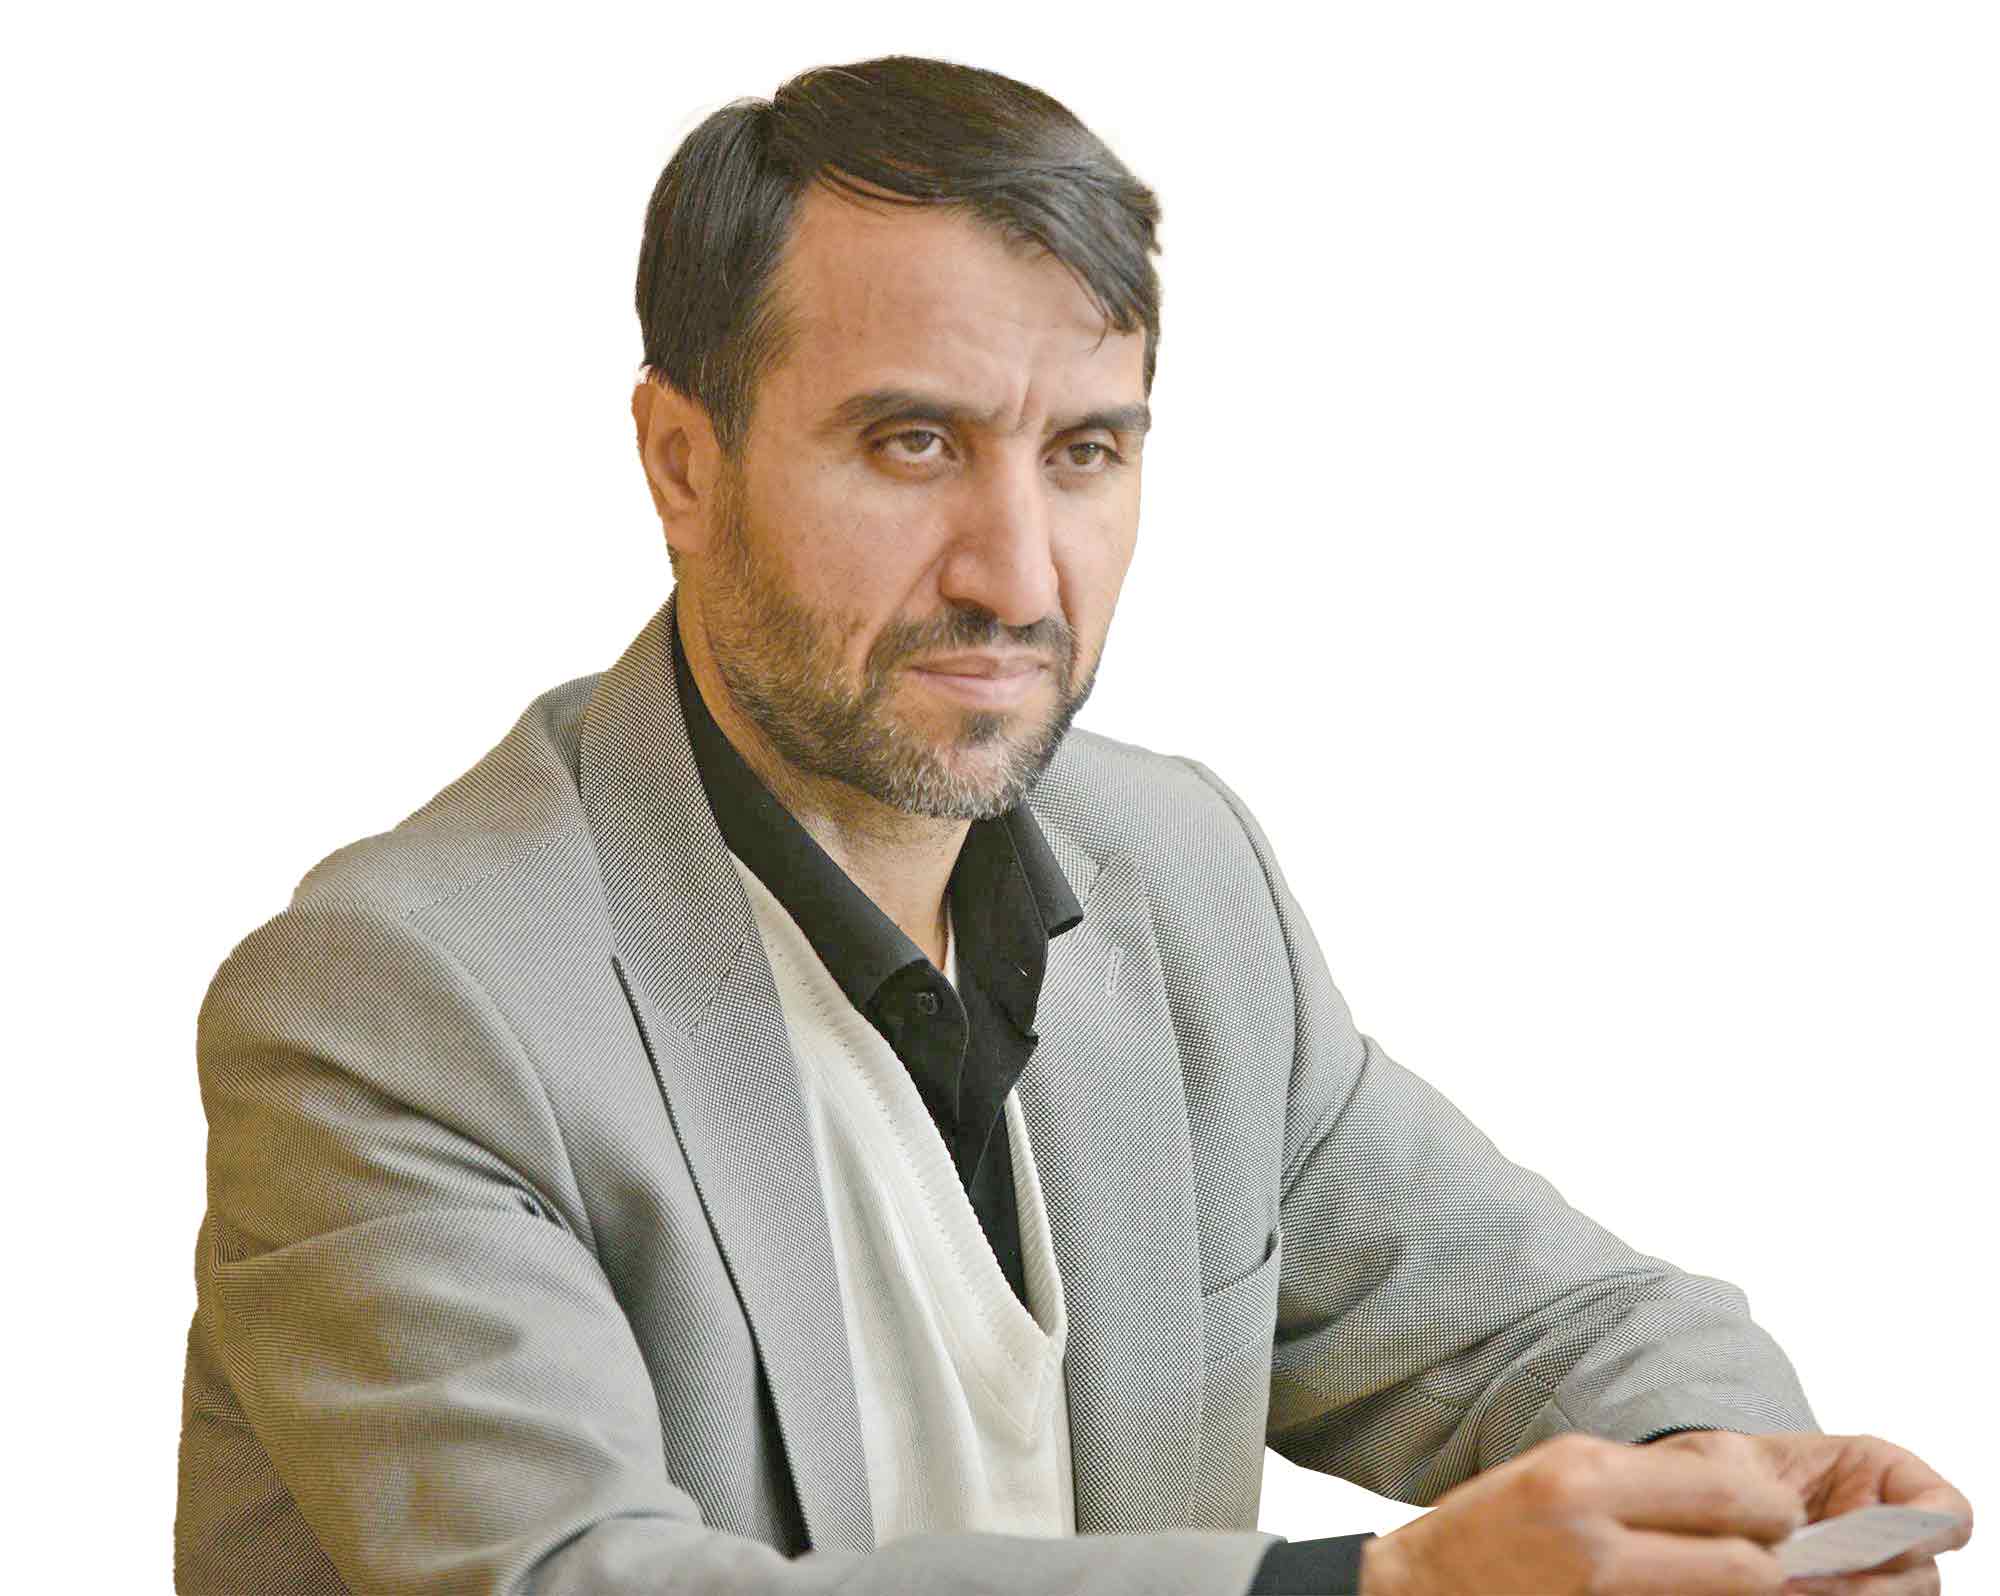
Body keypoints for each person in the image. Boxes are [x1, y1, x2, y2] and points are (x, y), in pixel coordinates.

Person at [174, 55, 1972, 1596]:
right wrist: (1379, 1585)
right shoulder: (399, 1003)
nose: (1019, 577)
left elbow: (1544, 1327)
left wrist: (1729, 1492)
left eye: (1086, 453)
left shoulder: (1177, 879)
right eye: (912, 444)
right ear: (681, 465)